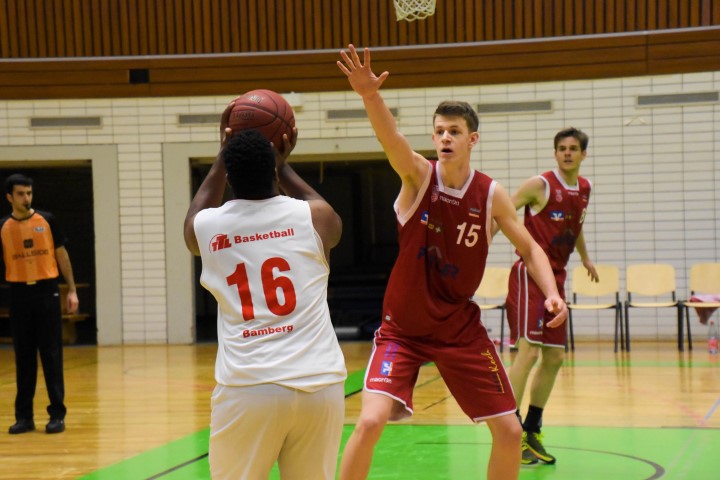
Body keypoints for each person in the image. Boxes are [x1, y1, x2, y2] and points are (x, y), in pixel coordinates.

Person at [336, 44, 567, 480]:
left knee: (508, 430)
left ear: (471, 139)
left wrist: (553, 294)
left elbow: (531, 248)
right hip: (402, 330)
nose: (444, 137)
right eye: (439, 130)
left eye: (454, 131)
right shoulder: (417, 176)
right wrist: (369, 95)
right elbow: (392, 139)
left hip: (459, 330)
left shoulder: (491, 194)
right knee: (368, 421)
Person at [183, 103, 347, 479]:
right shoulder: (316, 218)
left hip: (249, 387)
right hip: (319, 386)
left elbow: (190, 224)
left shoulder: (209, 227)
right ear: (275, 167)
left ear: (229, 173)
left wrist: (221, 158)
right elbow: (323, 209)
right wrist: (282, 163)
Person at [503, 127, 598, 465]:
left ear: (583, 154)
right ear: (555, 153)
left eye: (573, 148)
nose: (567, 153)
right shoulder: (540, 185)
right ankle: (508, 432)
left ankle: (531, 430)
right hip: (529, 276)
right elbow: (502, 210)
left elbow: (578, 224)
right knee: (527, 354)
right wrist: (519, 242)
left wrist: (585, 256)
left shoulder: (583, 188)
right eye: (562, 148)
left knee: (555, 358)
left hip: (556, 280)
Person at [1, 173, 79, 435]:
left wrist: (71, 290)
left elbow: (62, 255)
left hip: (47, 293)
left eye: (29, 193)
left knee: (51, 356)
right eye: (21, 194)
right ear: (9, 197)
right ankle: (24, 417)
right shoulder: (3, 227)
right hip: (19, 294)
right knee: (24, 358)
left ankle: (57, 414)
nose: (26, 198)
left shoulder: (47, 220)